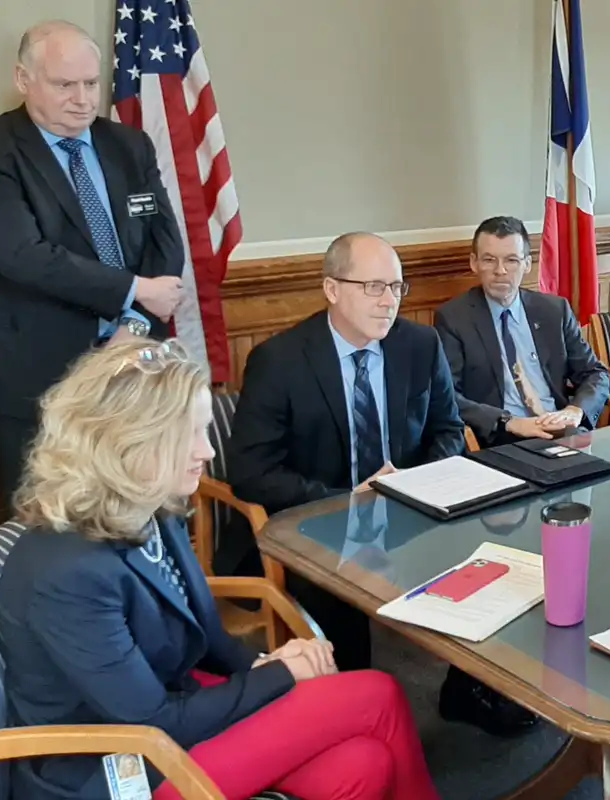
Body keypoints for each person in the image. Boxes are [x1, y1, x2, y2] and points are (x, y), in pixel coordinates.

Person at [0, 339, 439, 800]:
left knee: (361, 766)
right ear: (133, 441)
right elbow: (152, 723)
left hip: (172, 709)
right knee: (377, 694)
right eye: (191, 434)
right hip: (114, 766)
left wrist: (262, 662)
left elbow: (206, 635)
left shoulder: (152, 508)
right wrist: (281, 674)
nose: (208, 451)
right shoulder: (65, 572)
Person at [226, 233, 534, 736]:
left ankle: (468, 688)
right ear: (331, 289)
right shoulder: (279, 360)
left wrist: (415, 483)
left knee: (499, 555)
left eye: (395, 286)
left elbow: (449, 431)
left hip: (411, 508)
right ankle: (349, 719)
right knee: (341, 614)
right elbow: (251, 471)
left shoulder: (418, 344)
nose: (389, 300)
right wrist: (349, 498)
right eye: (373, 286)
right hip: (318, 521)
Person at [0, 21, 187, 503]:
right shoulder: (0, 150)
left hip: (134, 368)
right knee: (49, 520)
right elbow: (24, 256)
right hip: (41, 377)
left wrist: (134, 326)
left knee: (141, 510)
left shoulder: (128, 145)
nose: (82, 99)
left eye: (91, 84)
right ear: (23, 79)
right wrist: (135, 291)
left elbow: (164, 243)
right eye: (64, 85)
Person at [434, 216, 609, 447]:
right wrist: (509, 422)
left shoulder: (554, 311)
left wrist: (576, 410)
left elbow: (595, 373)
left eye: (512, 260)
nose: (500, 270)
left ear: (527, 264)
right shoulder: (454, 318)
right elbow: (447, 396)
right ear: (474, 263)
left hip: (561, 429)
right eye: (489, 260)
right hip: (504, 438)